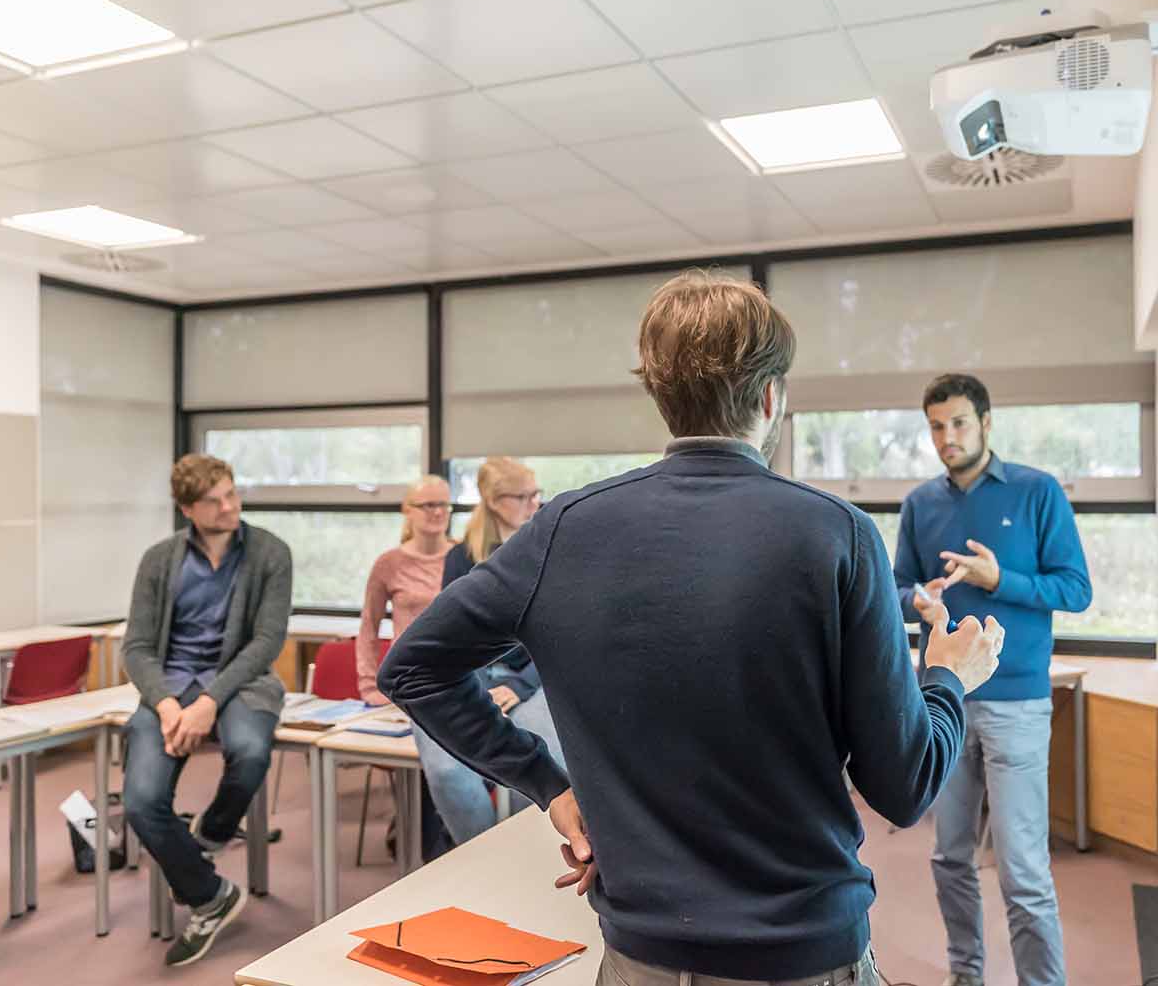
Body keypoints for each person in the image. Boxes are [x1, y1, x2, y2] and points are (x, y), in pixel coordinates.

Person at [380, 270, 1003, 986]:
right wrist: (950, 676)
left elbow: (412, 667)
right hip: (801, 953)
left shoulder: (565, 529)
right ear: (771, 398)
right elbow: (905, 783)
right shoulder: (837, 536)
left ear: (660, 395)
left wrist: (545, 784)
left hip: (641, 955)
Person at [894, 373, 1092, 986]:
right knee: (948, 858)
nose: (946, 437)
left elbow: (1075, 590)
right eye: (935, 426)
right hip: (944, 701)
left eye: (957, 423)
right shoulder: (920, 504)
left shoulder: (1037, 492)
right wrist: (920, 600)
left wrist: (998, 579)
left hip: (1017, 705)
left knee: (1023, 872)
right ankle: (967, 976)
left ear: (985, 422)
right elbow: (899, 588)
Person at [119, 454, 292, 967]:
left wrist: (209, 702)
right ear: (186, 509)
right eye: (214, 501)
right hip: (168, 689)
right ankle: (209, 893)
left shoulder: (270, 552)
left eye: (232, 493)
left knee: (250, 750)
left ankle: (212, 833)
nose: (229, 506)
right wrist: (171, 704)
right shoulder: (159, 559)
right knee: (139, 800)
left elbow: (266, 641)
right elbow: (136, 647)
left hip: (242, 683)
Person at [417, 457, 566, 839]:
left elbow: (560, 633)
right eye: (524, 497)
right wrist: (478, 685)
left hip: (540, 675)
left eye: (537, 494)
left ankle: (524, 853)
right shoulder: (461, 557)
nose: (536, 504)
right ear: (495, 500)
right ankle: (480, 853)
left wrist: (519, 686)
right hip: (476, 674)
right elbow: (454, 634)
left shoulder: (551, 550)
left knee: (540, 763)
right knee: (450, 771)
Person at [355, 474, 457, 860]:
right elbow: (368, 627)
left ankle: (441, 842)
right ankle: (428, 847)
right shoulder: (389, 564)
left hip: (456, 679)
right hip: (406, 683)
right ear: (407, 511)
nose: (437, 513)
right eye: (427, 505)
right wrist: (369, 685)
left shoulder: (464, 555)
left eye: (444, 505)